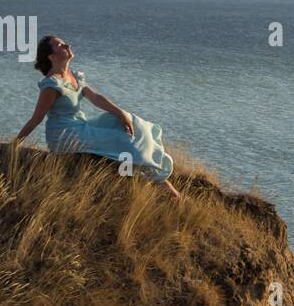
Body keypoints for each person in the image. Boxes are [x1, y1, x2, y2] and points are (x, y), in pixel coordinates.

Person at [14, 35, 179, 197]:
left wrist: (120, 113)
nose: (66, 45)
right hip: (64, 135)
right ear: (51, 56)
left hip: (80, 125)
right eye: (59, 45)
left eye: (64, 43)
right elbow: (37, 119)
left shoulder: (73, 76)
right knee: (121, 138)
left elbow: (96, 98)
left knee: (127, 120)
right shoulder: (51, 85)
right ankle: (151, 177)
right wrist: (14, 144)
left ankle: (153, 173)